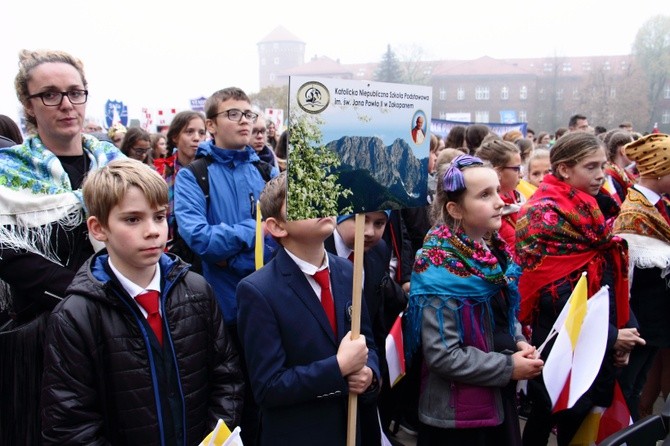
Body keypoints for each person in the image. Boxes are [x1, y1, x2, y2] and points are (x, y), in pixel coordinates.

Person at [40, 159, 244, 444]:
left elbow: (226, 377)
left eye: (159, 216)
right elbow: (71, 424)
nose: (152, 230)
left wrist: (215, 437)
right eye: (133, 219)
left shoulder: (197, 290)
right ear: (98, 228)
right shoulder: (77, 315)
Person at [0, 49, 123, 444]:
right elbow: (8, 253)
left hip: (118, 327)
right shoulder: (9, 172)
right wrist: (83, 292)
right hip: (43, 334)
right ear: (29, 106)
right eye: (50, 94)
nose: (67, 104)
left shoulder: (117, 165)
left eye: (75, 92)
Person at [515, 132, 644, 446]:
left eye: (602, 165)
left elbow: (603, 276)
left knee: (580, 417)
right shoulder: (540, 215)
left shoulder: (588, 205)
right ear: (563, 170)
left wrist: (623, 330)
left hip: (595, 336)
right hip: (561, 339)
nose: (601, 174)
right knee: (550, 411)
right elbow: (551, 297)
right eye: (591, 167)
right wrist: (613, 336)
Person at [406, 154, 543, 446]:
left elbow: (504, 315)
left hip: (495, 396)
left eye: (497, 190)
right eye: (484, 195)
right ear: (455, 209)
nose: (499, 201)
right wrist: (508, 367)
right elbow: (443, 355)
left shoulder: (490, 249)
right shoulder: (438, 267)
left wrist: (517, 339)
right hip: (459, 417)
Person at [236, 172, 379, 445]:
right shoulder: (258, 291)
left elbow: (367, 342)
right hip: (300, 434)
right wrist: (337, 367)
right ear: (277, 227)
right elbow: (268, 387)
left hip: (351, 428)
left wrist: (370, 373)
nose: (322, 204)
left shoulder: (347, 271)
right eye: (304, 199)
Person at [173, 86, 278, 445]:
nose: (245, 121)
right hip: (224, 307)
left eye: (249, 114)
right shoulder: (193, 175)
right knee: (233, 398)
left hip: (270, 300)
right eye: (233, 114)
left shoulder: (267, 168)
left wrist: (231, 251)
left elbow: (283, 233)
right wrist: (254, 231)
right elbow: (199, 237)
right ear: (212, 125)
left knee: (271, 391)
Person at [326, 211, 408, 442]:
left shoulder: (379, 250)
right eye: (360, 220)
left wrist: (374, 368)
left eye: (379, 223)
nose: (370, 231)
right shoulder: (319, 249)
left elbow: (376, 317)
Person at [613, 133, 670, 421]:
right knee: (628, 388)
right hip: (640, 321)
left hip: (656, 320)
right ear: (660, 172)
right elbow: (628, 276)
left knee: (638, 384)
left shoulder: (658, 206)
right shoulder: (634, 213)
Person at [158, 111, 206, 237]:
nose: (196, 138)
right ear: (175, 137)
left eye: (201, 133)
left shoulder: (211, 171)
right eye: (189, 132)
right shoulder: (161, 173)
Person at [476, 139, 524, 249]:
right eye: (516, 169)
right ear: (497, 173)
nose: (521, 174)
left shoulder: (517, 198)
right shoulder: (492, 213)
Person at [604, 130, 635, 204]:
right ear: (623, 150)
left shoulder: (623, 173)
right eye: (633, 147)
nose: (635, 152)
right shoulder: (611, 176)